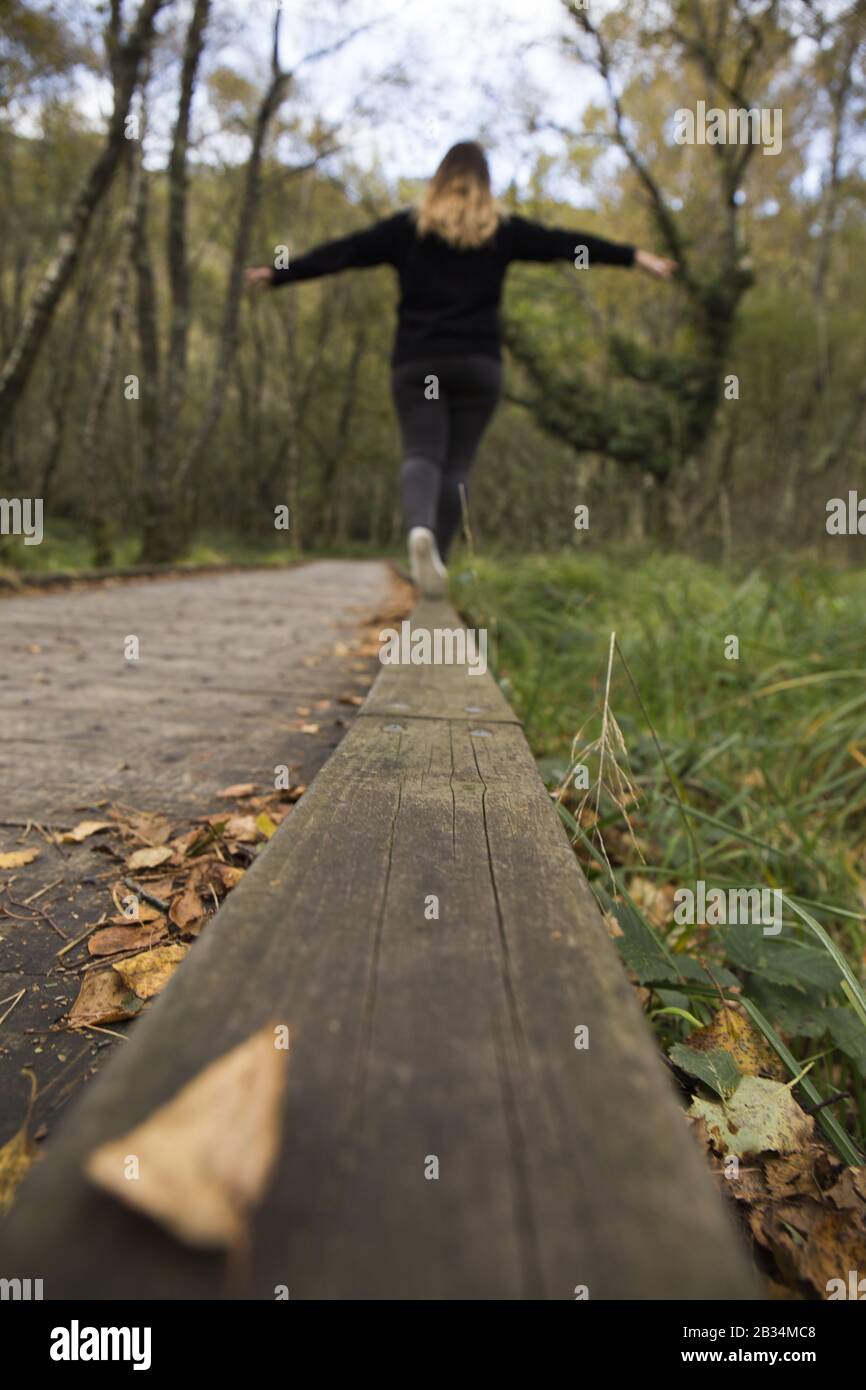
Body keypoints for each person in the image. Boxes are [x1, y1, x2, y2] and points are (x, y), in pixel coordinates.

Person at [246, 140, 676, 596]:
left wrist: (281, 273)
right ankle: (438, 564)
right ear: (486, 182)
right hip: (477, 365)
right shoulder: (502, 232)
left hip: (419, 362)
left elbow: (345, 252)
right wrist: (634, 257)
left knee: (422, 452)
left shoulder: (407, 230)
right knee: (457, 466)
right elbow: (566, 244)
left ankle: (419, 531)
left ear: (438, 178)